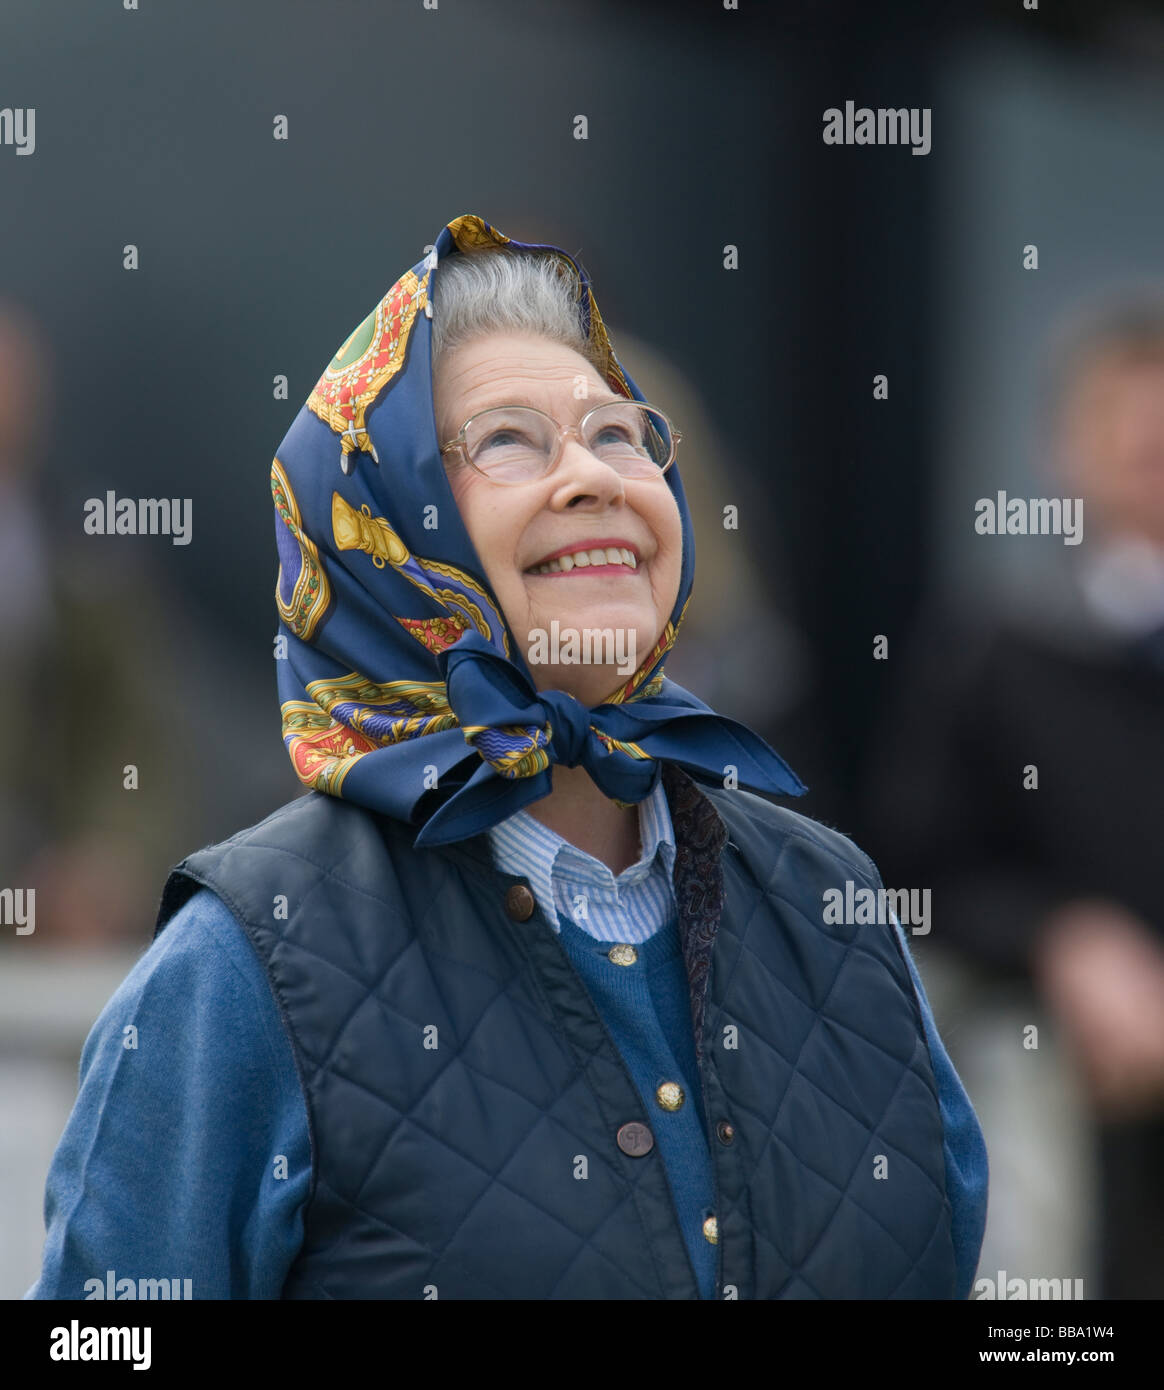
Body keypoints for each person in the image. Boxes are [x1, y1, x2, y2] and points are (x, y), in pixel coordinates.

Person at [27, 213, 987, 1300]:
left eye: (619, 433)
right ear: (385, 522)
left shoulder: (841, 910)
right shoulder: (248, 958)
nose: (595, 477)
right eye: (508, 440)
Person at [863, 292, 1164, 1298]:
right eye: (1118, 412)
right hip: (1068, 1123)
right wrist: (1059, 934)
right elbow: (914, 869)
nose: (1148, 435)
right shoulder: (998, 652)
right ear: (1059, 446)